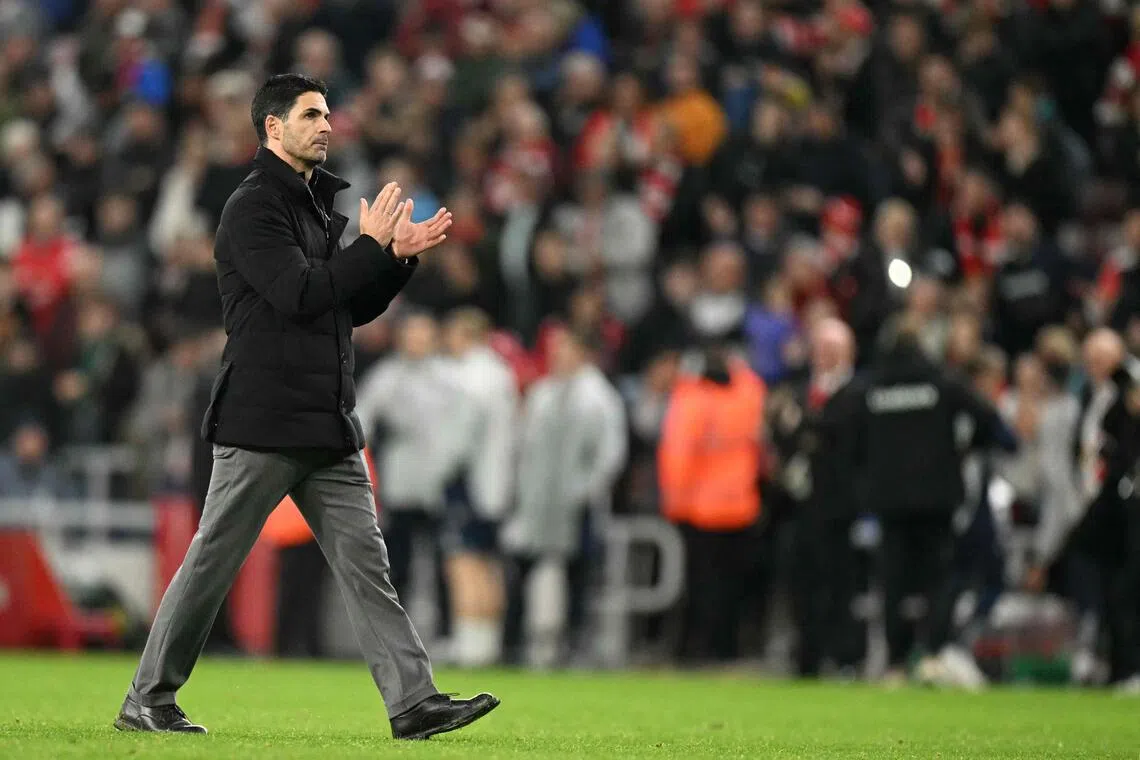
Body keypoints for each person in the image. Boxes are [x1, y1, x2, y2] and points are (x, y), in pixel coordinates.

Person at [114, 74, 498, 740]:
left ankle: (413, 703)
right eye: (311, 114)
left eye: (328, 114)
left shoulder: (312, 204)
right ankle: (147, 698)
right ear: (272, 128)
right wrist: (369, 250)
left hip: (325, 417)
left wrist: (394, 262)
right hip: (262, 419)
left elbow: (342, 308)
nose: (327, 124)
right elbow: (299, 293)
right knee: (213, 563)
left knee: (367, 566)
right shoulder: (253, 206)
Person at [851, 318, 1017, 683]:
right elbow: (991, 420)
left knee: (892, 582)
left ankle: (894, 663)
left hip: (889, 501)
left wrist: (866, 475)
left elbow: (845, 436)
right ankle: (932, 654)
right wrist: (967, 448)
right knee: (938, 579)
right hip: (936, 500)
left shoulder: (871, 387)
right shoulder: (942, 382)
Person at [501, 326, 628, 667]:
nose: (559, 357)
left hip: (577, 502)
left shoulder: (599, 397)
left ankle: (576, 645)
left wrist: (586, 490)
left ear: (583, 353)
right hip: (537, 501)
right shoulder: (542, 393)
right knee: (521, 568)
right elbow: (524, 447)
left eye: (566, 350)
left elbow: (610, 453)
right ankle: (510, 643)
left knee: (579, 576)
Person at [659, 339, 766, 663]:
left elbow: (677, 455)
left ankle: (694, 650)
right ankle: (728, 648)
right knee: (734, 587)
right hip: (741, 505)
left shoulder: (690, 398)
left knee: (699, 586)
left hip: (700, 508)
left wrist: (674, 504)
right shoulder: (749, 394)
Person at [770, 317, 864, 677]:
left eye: (833, 349)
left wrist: (806, 425)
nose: (825, 356)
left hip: (840, 506)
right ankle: (806, 657)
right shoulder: (797, 391)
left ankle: (843, 657)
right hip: (798, 505)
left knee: (839, 583)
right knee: (800, 582)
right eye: (821, 348)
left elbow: (846, 442)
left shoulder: (857, 393)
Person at [441, 307, 519, 667]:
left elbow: (460, 437)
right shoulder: (502, 374)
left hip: (469, 480)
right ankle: (488, 642)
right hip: (498, 482)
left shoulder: (467, 377)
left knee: (463, 562)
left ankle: (469, 642)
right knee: (488, 563)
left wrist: (439, 468)